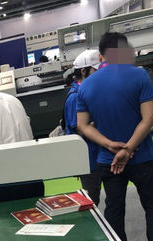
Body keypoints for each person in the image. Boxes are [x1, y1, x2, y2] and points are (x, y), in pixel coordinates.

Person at [76, 32, 153, 241]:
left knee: (114, 209)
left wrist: (109, 145)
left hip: (109, 161)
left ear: (101, 56)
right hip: (142, 157)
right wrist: (128, 149)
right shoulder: (138, 75)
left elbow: (82, 126)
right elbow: (149, 117)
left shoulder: (86, 86)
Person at [64, 49, 101, 205]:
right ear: (84, 71)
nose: (99, 74)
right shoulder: (75, 97)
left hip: (98, 155)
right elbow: (80, 129)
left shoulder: (88, 92)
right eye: (95, 70)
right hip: (88, 160)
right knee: (91, 200)